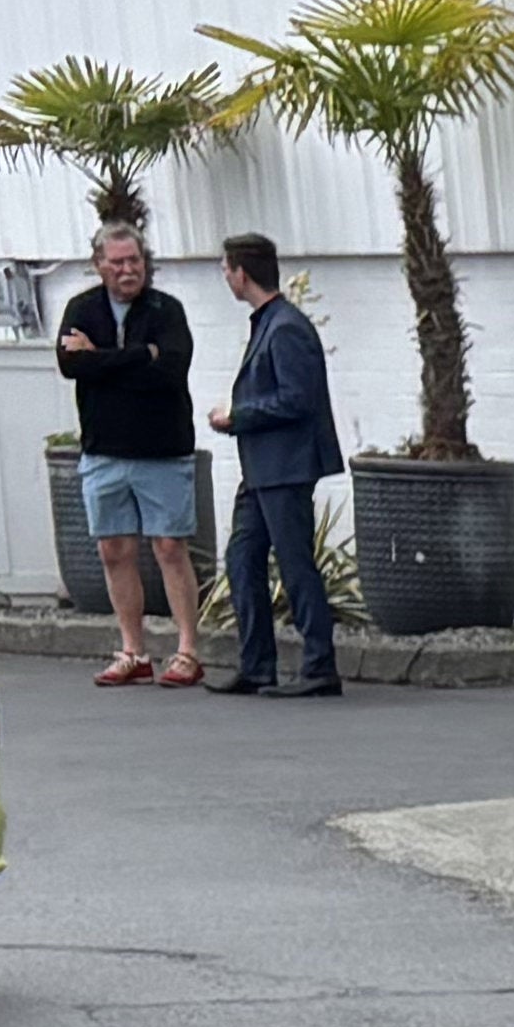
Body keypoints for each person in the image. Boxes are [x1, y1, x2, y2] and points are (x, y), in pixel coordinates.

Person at [52, 219, 207, 689]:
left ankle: (187, 650)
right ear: (99, 265)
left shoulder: (166, 310)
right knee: (113, 550)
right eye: (117, 262)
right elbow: (69, 365)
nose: (127, 270)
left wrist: (99, 359)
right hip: (104, 451)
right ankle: (133, 651)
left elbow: (171, 369)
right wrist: (141, 355)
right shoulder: (81, 308)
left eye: (134, 260)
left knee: (169, 547)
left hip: (162, 449)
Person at [200, 234, 343, 700]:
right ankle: (257, 665)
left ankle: (320, 666)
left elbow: (297, 399)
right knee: (242, 559)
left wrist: (237, 416)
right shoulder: (270, 323)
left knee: (296, 563)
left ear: (241, 273)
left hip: (286, 467)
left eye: (227, 269)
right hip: (262, 470)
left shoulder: (285, 328)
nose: (226, 277)